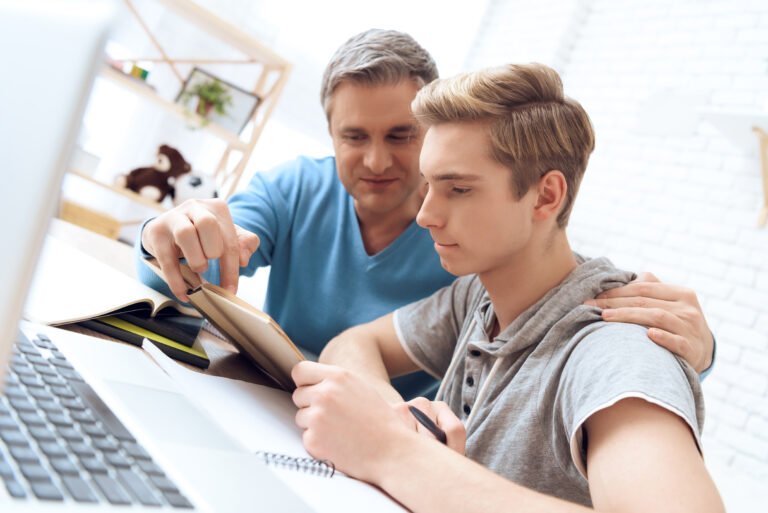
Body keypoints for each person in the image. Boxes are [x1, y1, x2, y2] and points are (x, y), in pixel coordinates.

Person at [137, 30, 715, 400]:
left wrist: (694, 353)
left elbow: (560, 306)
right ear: (331, 134)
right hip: (271, 400)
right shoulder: (294, 187)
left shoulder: (479, 241)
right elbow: (177, 270)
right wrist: (167, 239)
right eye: (354, 136)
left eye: (401, 135)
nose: (376, 161)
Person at [291, 63, 725, 513]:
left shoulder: (613, 352)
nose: (425, 216)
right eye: (429, 186)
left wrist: (391, 452)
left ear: (546, 195)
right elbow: (352, 344)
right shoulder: (477, 294)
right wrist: (396, 421)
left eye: (458, 189)